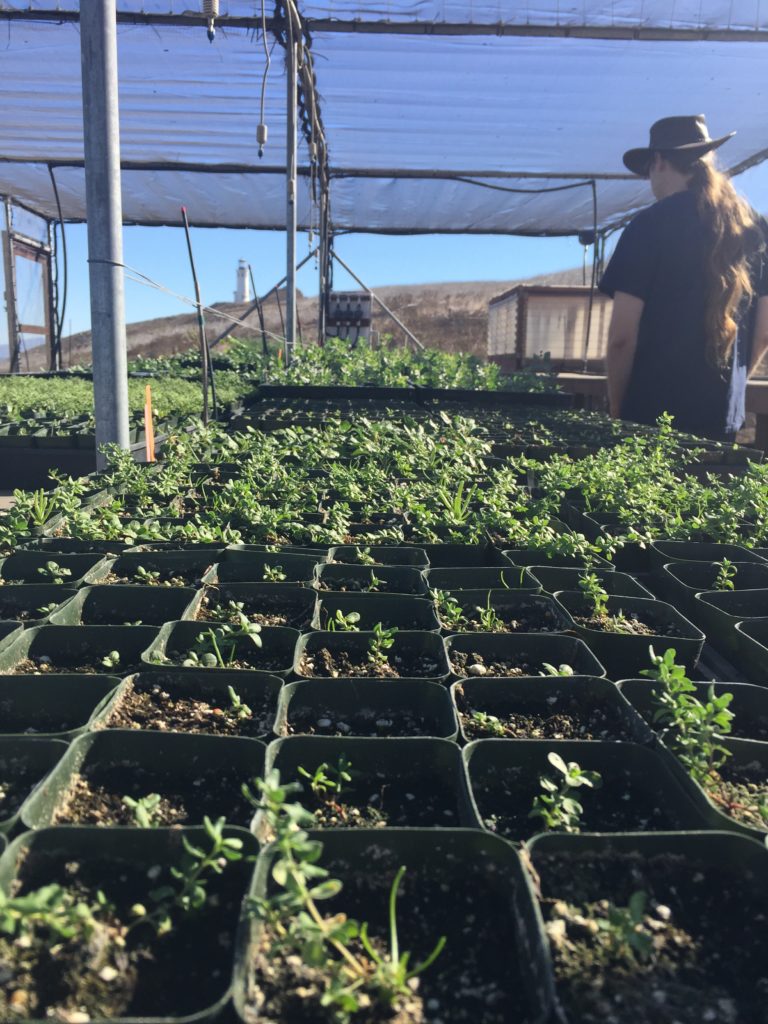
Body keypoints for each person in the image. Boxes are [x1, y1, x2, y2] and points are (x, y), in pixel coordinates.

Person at [598, 114, 768, 441]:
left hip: (649, 421)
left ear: (659, 161)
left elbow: (621, 337)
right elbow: (763, 333)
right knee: (707, 493)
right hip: (720, 423)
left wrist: (619, 413)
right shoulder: (753, 229)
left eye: (648, 168)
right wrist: (731, 391)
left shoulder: (648, 226)